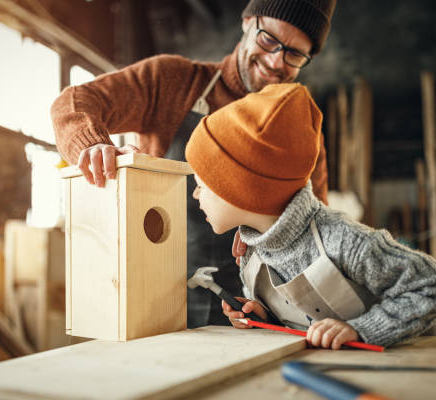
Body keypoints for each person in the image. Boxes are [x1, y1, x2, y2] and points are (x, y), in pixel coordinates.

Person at [51, 0, 337, 328]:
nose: (276, 61)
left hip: (251, 313)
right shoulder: (172, 81)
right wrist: (94, 146)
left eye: (294, 54)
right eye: (268, 39)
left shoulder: (300, 129)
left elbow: (314, 234)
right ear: (247, 22)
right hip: (153, 295)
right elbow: (72, 103)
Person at [185, 83, 436, 348]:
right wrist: (263, 316)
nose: (195, 195)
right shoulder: (251, 250)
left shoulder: (342, 241)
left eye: (201, 185)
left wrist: (361, 329)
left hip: (397, 375)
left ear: (240, 190)